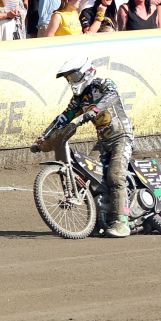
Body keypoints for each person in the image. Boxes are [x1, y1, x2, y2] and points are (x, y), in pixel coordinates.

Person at [35, 57, 134, 237]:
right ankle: (99, 218)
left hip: (122, 137)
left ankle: (122, 222)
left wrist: (94, 110)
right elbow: (63, 118)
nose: (72, 81)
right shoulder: (79, 99)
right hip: (102, 142)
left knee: (115, 175)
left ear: (86, 72)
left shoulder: (103, 84)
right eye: (69, 78)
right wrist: (43, 137)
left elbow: (112, 96)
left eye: (74, 76)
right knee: (86, 173)